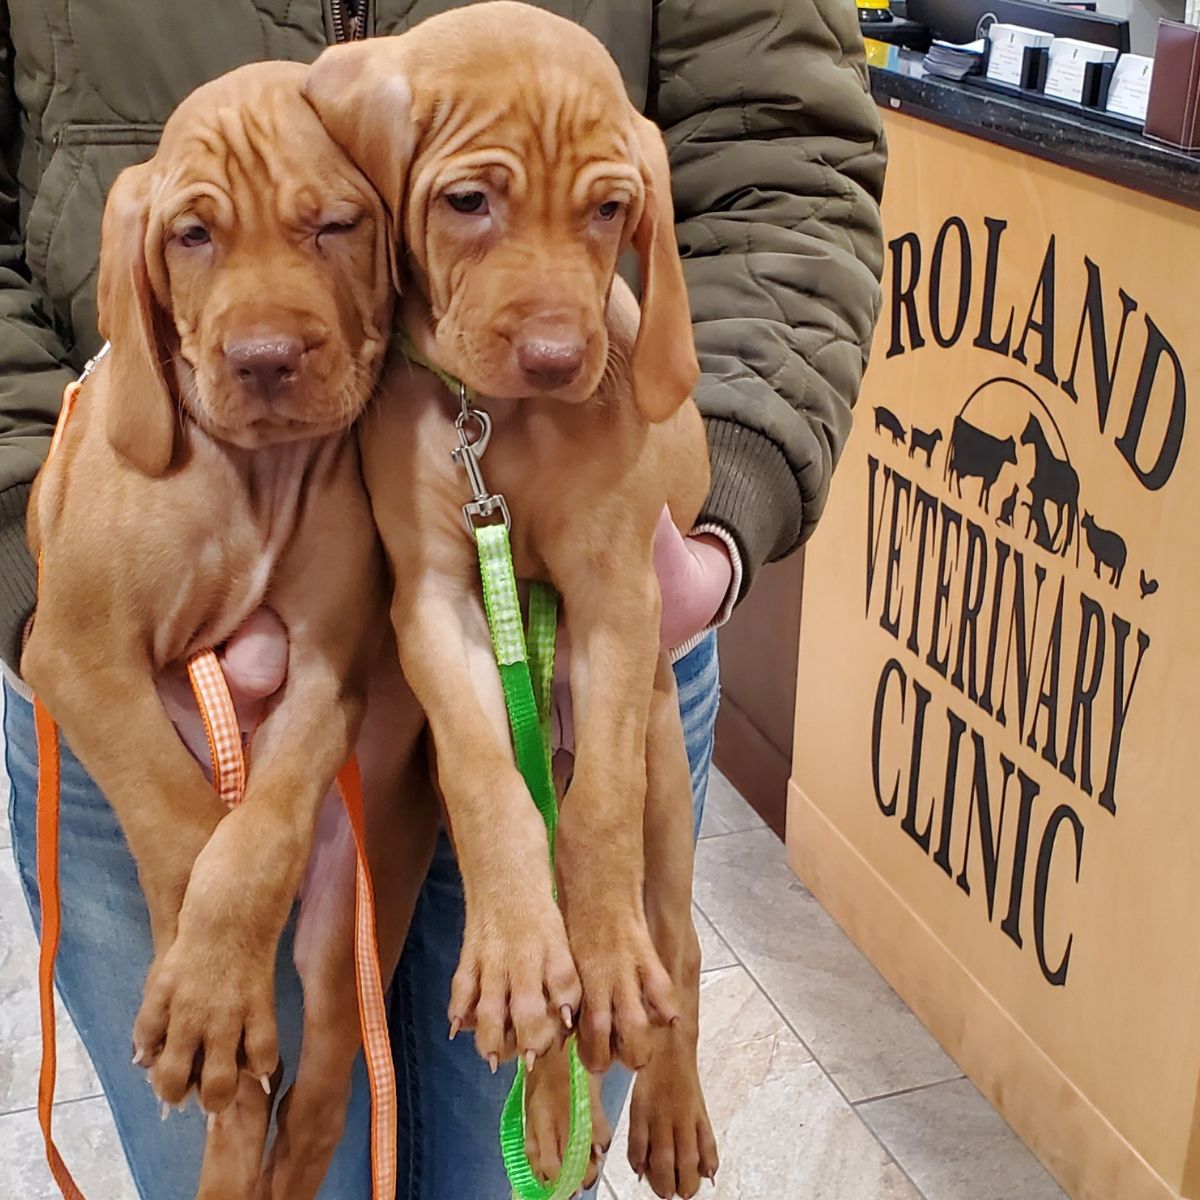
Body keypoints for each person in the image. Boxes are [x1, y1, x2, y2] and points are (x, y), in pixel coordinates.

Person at [0, 0, 885, 1196]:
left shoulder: (576, 323)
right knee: (236, 1144)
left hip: (564, 658)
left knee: (529, 1140)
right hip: (158, 669)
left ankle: (668, 1047)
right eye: (469, 200)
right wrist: (22, 520)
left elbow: (788, 150)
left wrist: (726, 493)